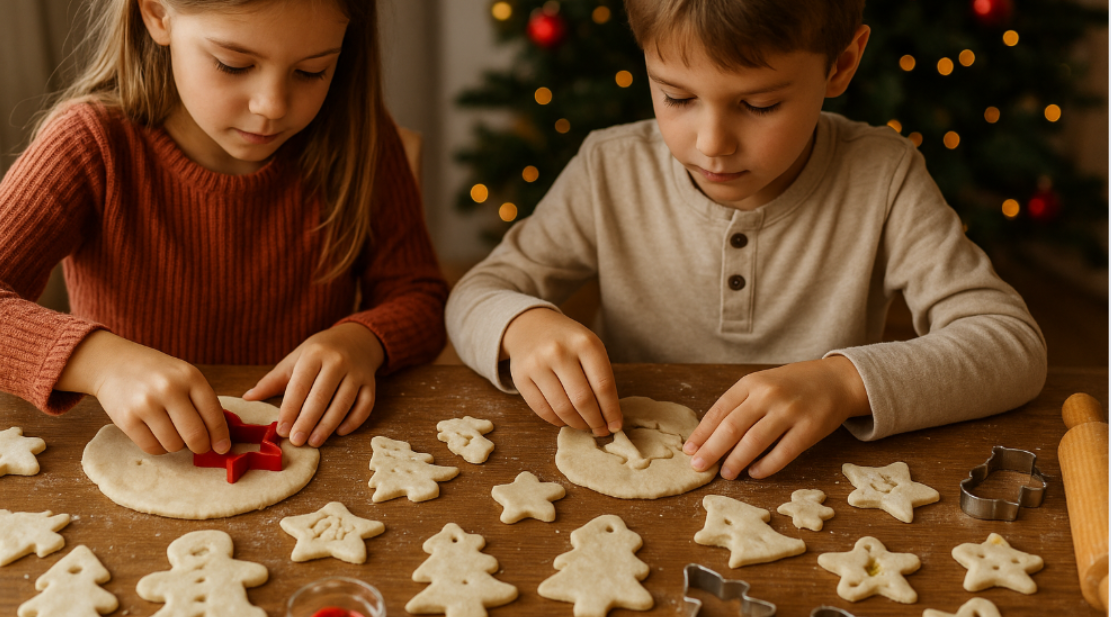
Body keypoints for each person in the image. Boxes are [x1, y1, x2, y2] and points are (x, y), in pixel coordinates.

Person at [446, 0, 1046, 480]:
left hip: (819, 483)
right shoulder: (610, 168)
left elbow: (1011, 346)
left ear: (840, 64)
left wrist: (841, 384)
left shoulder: (882, 176)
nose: (712, 142)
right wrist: (520, 327)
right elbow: (480, 291)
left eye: (759, 104)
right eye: (676, 97)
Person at [0, 0, 447, 457]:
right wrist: (98, 363)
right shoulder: (89, 144)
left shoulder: (361, 141)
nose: (270, 105)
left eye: (311, 71)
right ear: (157, 13)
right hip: (139, 457)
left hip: (308, 456)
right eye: (233, 64)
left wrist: (362, 341)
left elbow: (419, 295)